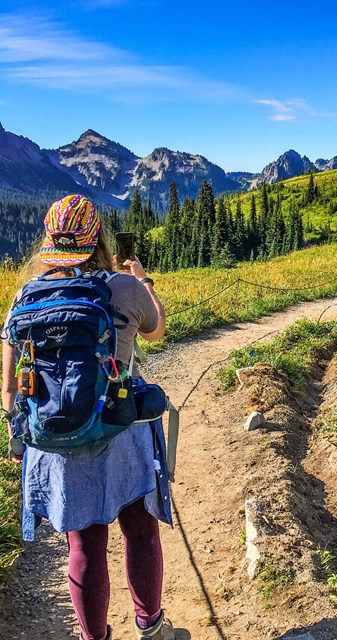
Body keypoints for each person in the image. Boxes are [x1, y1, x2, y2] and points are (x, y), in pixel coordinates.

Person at [1, 195, 175, 640]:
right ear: (96, 238)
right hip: (121, 430)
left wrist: (17, 438)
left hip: (55, 436)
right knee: (139, 532)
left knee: (83, 545)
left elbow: (8, 387)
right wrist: (143, 279)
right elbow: (156, 329)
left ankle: (92, 637)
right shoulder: (124, 287)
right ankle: (151, 626)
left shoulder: (25, 295)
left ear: (50, 242)